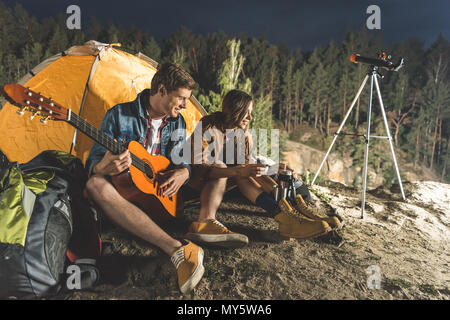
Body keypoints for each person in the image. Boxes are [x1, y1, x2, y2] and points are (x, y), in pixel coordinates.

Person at [85, 62, 204, 294]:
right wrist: (104, 167)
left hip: (157, 197)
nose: (186, 105)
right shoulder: (118, 115)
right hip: (124, 194)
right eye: (181, 98)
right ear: (161, 90)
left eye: (187, 99)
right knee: (93, 184)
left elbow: (181, 158)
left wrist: (185, 171)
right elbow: (93, 166)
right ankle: (177, 249)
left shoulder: (177, 121)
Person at [185, 89, 341, 243]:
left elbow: (248, 167)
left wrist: (272, 178)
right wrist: (239, 170)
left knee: (251, 172)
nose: (250, 117)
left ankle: (291, 216)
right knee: (237, 170)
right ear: (235, 110)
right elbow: (201, 169)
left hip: (222, 183)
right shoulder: (208, 125)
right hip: (197, 182)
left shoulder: (241, 134)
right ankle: (205, 222)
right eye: (246, 112)